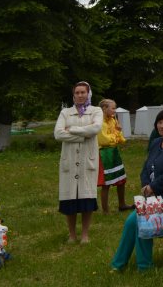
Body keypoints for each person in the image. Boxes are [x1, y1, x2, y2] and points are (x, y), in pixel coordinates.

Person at [110, 108, 163, 271]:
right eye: (159, 122)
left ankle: (144, 267)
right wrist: (146, 185)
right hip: (153, 194)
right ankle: (118, 265)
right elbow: (146, 168)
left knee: (141, 221)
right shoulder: (155, 142)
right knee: (131, 222)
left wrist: (153, 187)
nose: (162, 125)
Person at [54, 81, 103, 244]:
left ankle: (85, 235)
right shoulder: (65, 112)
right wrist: (84, 135)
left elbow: (95, 129)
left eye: (83, 92)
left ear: (88, 94)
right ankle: (72, 234)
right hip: (69, 161)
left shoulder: (95, 111)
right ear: (73, 95)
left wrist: (72, 130)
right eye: (77, 92)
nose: (80, 95)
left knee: (86, 199)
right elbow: (58, 134)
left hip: (86, 161)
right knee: (69, 200)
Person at [97, 99, 133, 214]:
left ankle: (122, 205)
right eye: (112, 108)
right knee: (106, 182)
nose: (114, 110)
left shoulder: (113, 120)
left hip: (114, 152)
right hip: (104, 153)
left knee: (121, 179)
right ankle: (105, 210)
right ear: (104, 109)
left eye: (115, 108)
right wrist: (116, 135)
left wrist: (117, 134)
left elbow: (121, 139)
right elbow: (104, 140)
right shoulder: (100, 123)